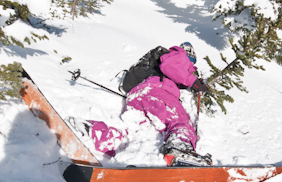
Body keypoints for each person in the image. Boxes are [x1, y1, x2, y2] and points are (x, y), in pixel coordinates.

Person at [69, 42, 212, 166]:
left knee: (132, 132)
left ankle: (90, 132)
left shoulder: (170, 61)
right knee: (179, 120)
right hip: (158, 91)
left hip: (139, 95)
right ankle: (180, 149)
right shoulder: (179, 54)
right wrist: (193, 81)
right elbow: (169, 66)